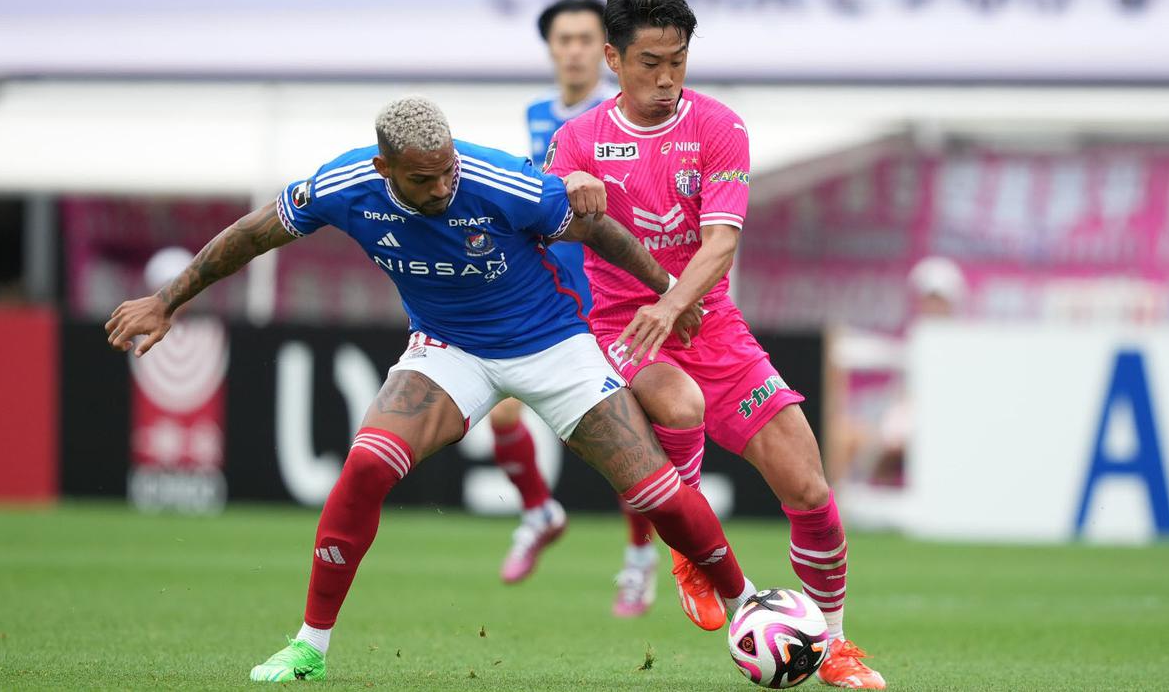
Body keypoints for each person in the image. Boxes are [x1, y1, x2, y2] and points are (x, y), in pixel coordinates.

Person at [104, 96, 756, 682]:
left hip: (554, 345)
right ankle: (309, 645)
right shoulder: (342, 185)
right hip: (448, 350)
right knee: (364, 464)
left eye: (448, 169)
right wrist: (167, 302)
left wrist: (667, 293)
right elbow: (251, 235)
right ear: (385, 169)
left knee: (654, 492)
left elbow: (598, 230)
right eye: (424, 177)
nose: (444, 185)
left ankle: (747, 606)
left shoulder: (499, 180)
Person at [543, 0, 886, 687]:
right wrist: (568, 188)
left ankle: (836, 646)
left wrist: (673, 303)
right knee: (680, 406)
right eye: (648, 63)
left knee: (810, 490)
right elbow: (546, 220)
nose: (666, 78)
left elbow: (720, 241)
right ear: (612, 58)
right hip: (623, 327)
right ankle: (693, 556)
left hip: (711, 325)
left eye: (678, 60)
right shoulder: (576, 139)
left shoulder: (719, 125)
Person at [491, 0, 657, 620]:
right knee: (504, 413)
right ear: (552, 48)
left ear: (607, 51)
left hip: (610, 297)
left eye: (586, 39)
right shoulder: (538, 115)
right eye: (564, 40)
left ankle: (639, 561)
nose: (575, 50)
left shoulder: (622, 115)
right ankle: (539, 512)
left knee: (627, 438)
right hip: (544, 295)